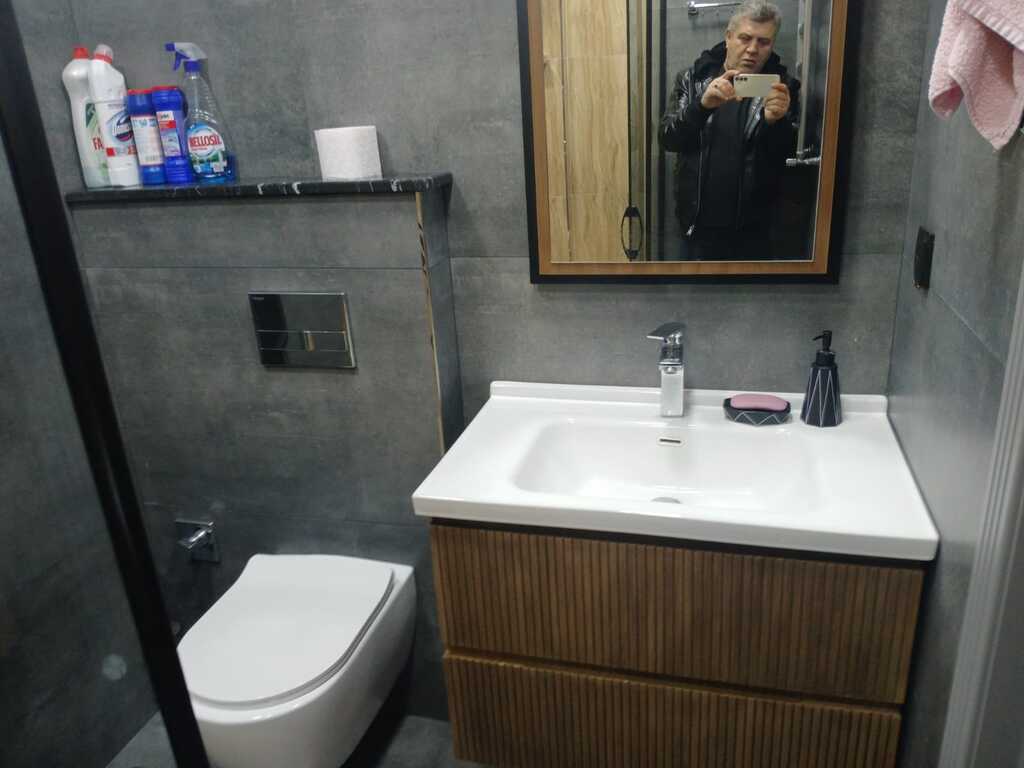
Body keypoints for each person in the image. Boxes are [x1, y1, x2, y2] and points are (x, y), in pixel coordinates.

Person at [660, 0, 800, 260]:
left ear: (772, 45)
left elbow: (790, 162)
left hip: (753, 233)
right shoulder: (693, 80)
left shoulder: (783, 89)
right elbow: (668, 139)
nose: (752, 49)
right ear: (728, 37)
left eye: (763, 42)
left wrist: (776, 123)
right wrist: (701, 106)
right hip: (696, 228)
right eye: (745, 38)